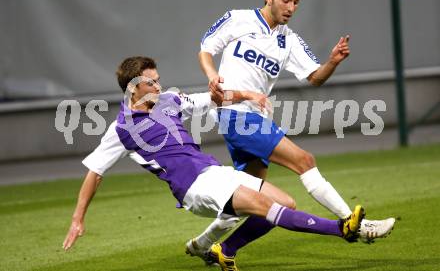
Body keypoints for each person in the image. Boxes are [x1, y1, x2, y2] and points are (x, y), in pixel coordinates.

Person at [63, 56, 366, 270]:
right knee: (265, 207)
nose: (158, 86)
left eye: (158, 80)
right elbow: (95, 173)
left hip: (213, 171)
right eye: (151, 83)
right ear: (133, 88)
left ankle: (223, 249)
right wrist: (78, 219)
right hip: (194, 187)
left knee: (286, 202)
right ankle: (341, 229)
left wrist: (248, 94)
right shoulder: (121, 128)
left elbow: (212, 98)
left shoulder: (169, 100)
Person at [187, 0, 395, 266]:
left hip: (254, 117)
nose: (291, 7)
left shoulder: (289, 40)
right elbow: (206, 48)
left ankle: (213, 247)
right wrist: (212, 77)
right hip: (235, 114)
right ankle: (353, 223)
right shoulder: (239, 19)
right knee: (304, 160)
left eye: (297, 2)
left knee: (257, 202)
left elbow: (314, 77)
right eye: (286, 0)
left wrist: (333, 61)